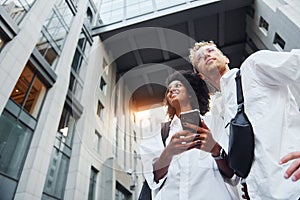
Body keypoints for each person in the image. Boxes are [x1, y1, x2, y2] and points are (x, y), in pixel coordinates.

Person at [189, 41, 300, 199]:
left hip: (293, 187)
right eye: (199, 58)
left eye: (211, 50)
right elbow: (233, 172)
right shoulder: (217, 116)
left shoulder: (254, 67)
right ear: (200, 75)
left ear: (226, 58)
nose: (206, 55)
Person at [139, 70, 239, 200]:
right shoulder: (159, 132)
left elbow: (233, 175)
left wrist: (215, 150)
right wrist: (168, 153)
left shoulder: (216, 125)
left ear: (191, 92)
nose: (171, 90)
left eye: (178, 85)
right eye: (169, 88)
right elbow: (153, 178)